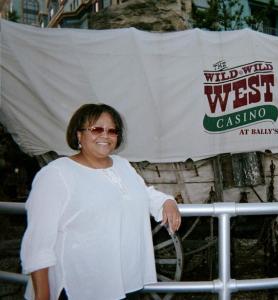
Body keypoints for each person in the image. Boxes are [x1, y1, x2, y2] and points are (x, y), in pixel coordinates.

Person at [20, 103, 181, 300]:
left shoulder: (122, 165)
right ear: (79, 135)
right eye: (96, 129)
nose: (105, 135)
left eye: (112, 130)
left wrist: (167, 202)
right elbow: (38, 243)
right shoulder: (57, 174)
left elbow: (143, 194)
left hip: (125, 282)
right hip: (80, 287)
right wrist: (42, 295)